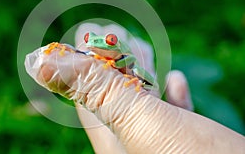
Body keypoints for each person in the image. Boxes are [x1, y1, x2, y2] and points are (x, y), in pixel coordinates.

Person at [31, 23, 245, 154]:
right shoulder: (93, 49)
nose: (92, 43)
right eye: (88, 41)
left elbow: (129, 59)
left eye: (110, 41)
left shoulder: (120, 53)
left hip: (126, 66)